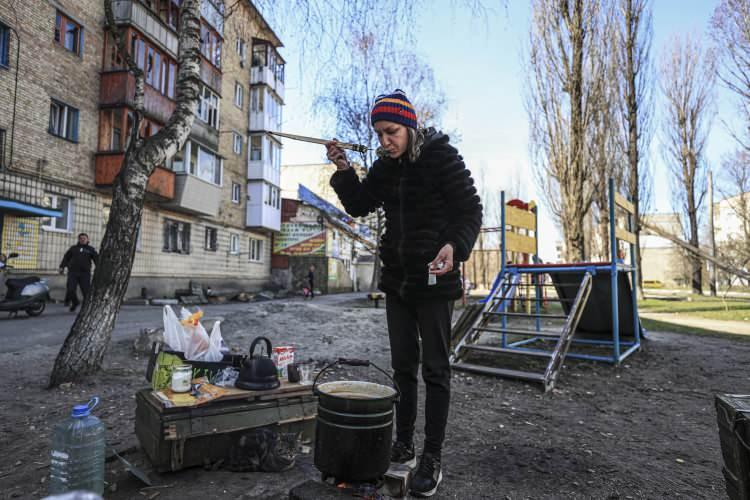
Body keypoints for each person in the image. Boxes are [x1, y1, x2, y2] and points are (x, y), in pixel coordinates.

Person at [326, 89, 482, 497]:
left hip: (435, 279)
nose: (384, 141)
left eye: (391, 132)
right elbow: (359, 204)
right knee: (402, 367)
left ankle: (432, 456)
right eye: (378, 134)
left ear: (409, 126)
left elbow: (471, 210)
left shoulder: (442, 157)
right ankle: (404, 442)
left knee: (435, 368)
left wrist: (454, 246)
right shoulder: (386, 166)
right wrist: (343, 169)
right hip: (397, 282)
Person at [59, 233, 98, 312]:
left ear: (87, 240)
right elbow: (66, 258)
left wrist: (99, 269)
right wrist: (62, 267)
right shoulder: (73, 248)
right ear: (79, 240)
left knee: (86, 291)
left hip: (85, 274)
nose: (83, 240)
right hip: (73, 273)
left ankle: (87, 308)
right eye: (81, 238)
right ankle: (75, 302)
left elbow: (97, 260)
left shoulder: (91, 249)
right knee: (70, 289)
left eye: (84, 238)